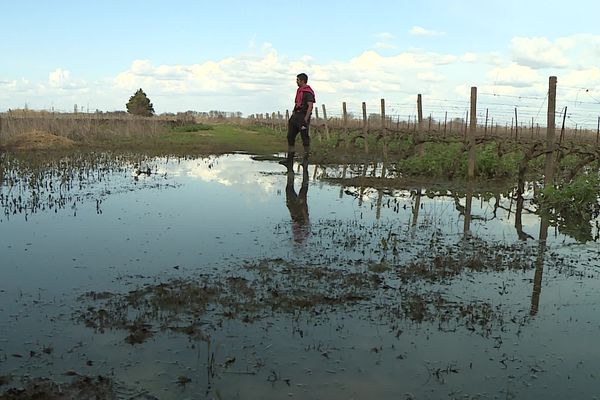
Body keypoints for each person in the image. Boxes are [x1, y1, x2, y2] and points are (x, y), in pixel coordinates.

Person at [280, 73, 315, 167]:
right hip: (295, 116)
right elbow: (297, 103)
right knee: (290, 137)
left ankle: (305, 160)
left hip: (302, 117)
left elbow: (310, 106)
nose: (296, 82)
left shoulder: (308, 92)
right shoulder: (299, 91)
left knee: (305, 139)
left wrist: (305, 119)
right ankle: (289, 160)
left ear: (302, 81)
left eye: (298, 80)